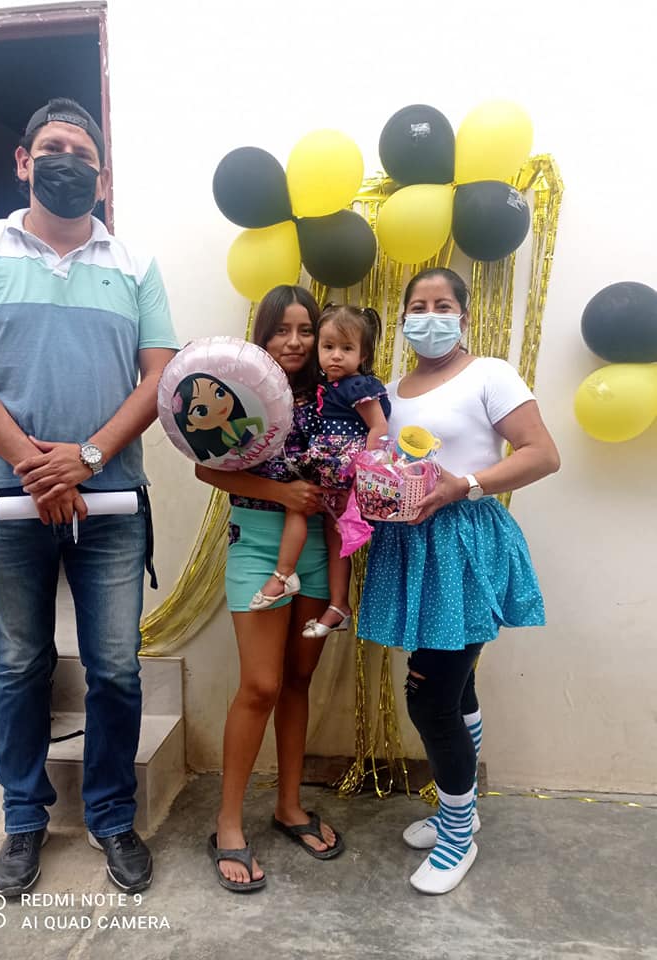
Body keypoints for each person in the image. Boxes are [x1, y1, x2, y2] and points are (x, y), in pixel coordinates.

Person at [0, 98, 178, 896]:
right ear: (23, 160)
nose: (65, 161)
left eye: (81, 153)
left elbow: (160, 378)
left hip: (111, 501)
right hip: (2, 499)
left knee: (115, 668)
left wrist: (88, 457)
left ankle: (112, 816)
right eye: (52, 147)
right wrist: (32, 465)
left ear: (103, 179)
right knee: (19, 664)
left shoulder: (135, 264)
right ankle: (23, 819)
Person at [357, 267, 560, 895]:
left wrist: (465, 484)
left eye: (443, 305)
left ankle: (456, 835)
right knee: (457, 686)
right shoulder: (392, 391)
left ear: (464, 316)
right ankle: (460, 814)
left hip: (464, 549)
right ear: (403, 319)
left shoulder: (490, 374)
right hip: (410, 547)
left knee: (431, 699)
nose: (429, 316)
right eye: (417, 306)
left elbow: (542, 454)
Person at [195, 284, 345, 893]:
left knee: (299, 680)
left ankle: (288, 806)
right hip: (257, 542)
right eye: (282, 329)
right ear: (262, 334)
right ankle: (227, 823)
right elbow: (205, 466)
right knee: (260, 685)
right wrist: (283, 493)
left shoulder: (334, 393)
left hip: (321, 546)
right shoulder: (242, 390)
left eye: (305, 329)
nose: (295, 341)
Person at [250, 304, 390, 642]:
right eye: (328, 347)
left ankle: (289, 577)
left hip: (346, 466)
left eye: (346, 348)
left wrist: (366, 474)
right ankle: (333, 601)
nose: (336, 356)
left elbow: (379, 427)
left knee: (308, 515)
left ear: (363, 354)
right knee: (326, 528)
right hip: (326, 463)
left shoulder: (358, 386)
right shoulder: (324, 387)